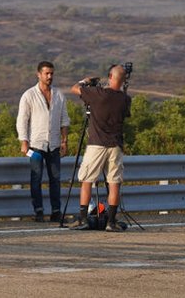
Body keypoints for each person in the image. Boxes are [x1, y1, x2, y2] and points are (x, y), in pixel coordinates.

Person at [67, 64, 132, 232]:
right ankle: (111, 221)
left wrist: (86, 81)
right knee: (114, 182)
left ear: (110, 77)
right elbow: (123, 109)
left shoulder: (98, 94)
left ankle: (83, 218)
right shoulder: (126, 99)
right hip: (116, 145)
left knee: (87, 180)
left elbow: (74, 89)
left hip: (97, 143)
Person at [17, 60, 70, 222]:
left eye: (51, 73)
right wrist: (23, 141)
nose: (49, 76)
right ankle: (38, 211)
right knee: (36, 178)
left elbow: (64, 120)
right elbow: (22, 120)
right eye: (46, 73)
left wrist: (64, 141)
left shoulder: (59, 95)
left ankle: (56, 211)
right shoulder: (29, 95)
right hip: (36, 144)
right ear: (38, 74)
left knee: (55, 179)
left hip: (53, 144)